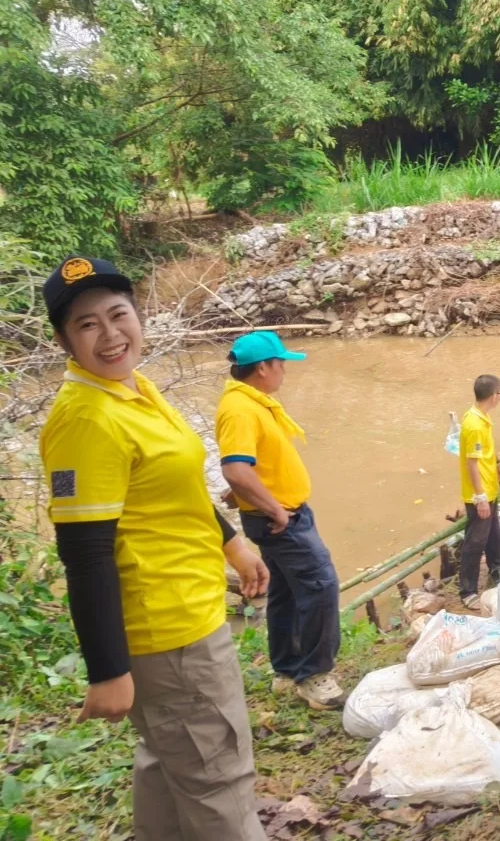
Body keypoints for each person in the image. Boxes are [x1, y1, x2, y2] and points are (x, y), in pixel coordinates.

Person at [39, 256, 270, 841]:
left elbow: (174, 485)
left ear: (138, 316)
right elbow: (85, 553)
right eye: (87, 324)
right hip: (169, 633)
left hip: (187, 610)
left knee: (168, 763)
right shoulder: (86, 419)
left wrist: (232, 544)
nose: (110, 334)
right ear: (65, 341)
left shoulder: (133, 388)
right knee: (220, 782)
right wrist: (108, 670)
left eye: (118, 314)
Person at [216, 332, 344, 710]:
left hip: (280, 513)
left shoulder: (252, 403)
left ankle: (287, 670)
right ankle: (315, 676)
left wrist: (248, 492)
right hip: (281, 519)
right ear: (262, 368)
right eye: (280, 363)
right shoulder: (240, 409)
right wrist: (274, 509)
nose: (284, 371)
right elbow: (236, 469)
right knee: (321, 585)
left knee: (286, 591)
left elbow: (252, 463)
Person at [459, 374, 500, 609]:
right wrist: (480, 498)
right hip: (480, 493)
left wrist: (497, 463)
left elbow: (486, 450)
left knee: (493, 534)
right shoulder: (474, 425)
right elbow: (472, 463)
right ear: (493, 396)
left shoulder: (483, 417)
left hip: (490, 487)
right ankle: (467, 591)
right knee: (475, 542)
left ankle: (497, 569)